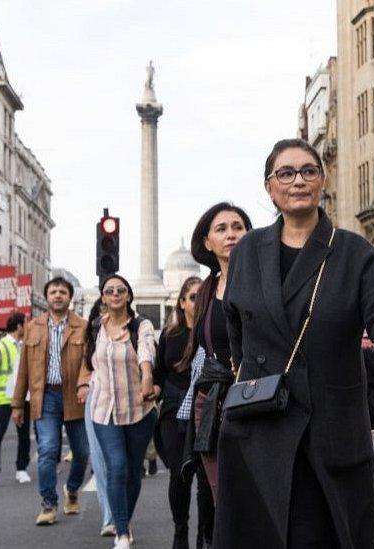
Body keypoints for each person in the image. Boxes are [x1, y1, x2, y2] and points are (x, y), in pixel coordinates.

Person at [216, 139, 374, 547]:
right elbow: (235, 323)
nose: (298, 180)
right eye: (286, 173)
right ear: (270, 187)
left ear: (322, 181)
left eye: (308, 171)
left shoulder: (354, 252)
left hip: (330, 432)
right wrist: (245, 372)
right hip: (259, 431)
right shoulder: (248, 250)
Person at [77, 274, 160, 549]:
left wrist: (147, 375)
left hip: (139, 408)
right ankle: (121, 532)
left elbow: (147, 350)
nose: (115, 294)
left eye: (120, 290)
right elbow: (89, 362)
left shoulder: (142, 325)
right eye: (109, 290)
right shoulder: (95, 329)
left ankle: (124, 518)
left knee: (133, 471)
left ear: (128, 296)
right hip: (104, 411)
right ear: (102, 296)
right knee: (116, 467)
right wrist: (84, 384)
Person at [180, 202, 253, 511]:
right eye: (221, 229)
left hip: (254, 399)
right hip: (212, 403)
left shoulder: (261, 279)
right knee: (224, 501)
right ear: (207, 242)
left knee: (257, 500)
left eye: (238, 227)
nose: (231, 234)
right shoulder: (207, 289)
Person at [12, 276, 90, 526]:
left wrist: (84, 383)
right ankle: (48, 503)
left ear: (70, 297)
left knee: (82, 452)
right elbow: (24, 368)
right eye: (53, 291)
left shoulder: (83, 327)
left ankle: (72, 488)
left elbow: (89, 363)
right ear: (46, 297)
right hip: (44, 397)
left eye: (62, 292)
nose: (58, 295)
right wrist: (16, 405)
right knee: (47, 450)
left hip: (75, 397)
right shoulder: (33, 327)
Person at [155, 276, 215, 549]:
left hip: (206, 406)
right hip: (173, 409)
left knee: (206, 478)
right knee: (180, 473)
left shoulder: (213, 331)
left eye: (202, 295)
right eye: (192, 297)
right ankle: (181, 530)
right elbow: (159, 373)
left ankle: (206, 534)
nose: (197, 301)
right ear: (181, 303)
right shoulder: (170, 335)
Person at [0, 312, 32, 486]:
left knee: (24, 434)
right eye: (26, 323)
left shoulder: (27, 345)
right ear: (19, 326)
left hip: (23, 396)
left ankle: (21, 469)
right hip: (3, 397)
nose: (28, 325)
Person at [82, 298, 117, 538]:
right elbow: (83, 366)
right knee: (100, 460)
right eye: (101, 310)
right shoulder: (91, 337)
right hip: (96, 397)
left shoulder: (135, 332)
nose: (105, 315)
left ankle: (121, 513)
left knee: (120, 463)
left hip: (125, 399)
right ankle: (109, 516)